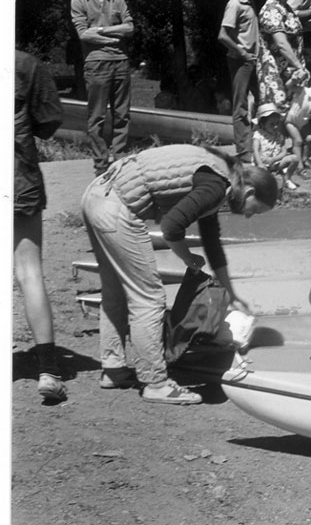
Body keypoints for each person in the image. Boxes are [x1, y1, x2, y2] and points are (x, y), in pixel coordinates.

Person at [80, 145, 279, 404]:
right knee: (149, 298)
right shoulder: (216, 185)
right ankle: (155, 382)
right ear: (250, 191)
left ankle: (114, 368)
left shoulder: (219, 175)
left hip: (97, 195)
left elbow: (211, 241)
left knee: (116, 290)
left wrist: (231, 292)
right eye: (255, 209)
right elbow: (171, 227)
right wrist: (187, 257)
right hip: (117, 206)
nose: (249, 215)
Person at [15, 50, 67, 402]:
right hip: (18, 174)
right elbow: (49, 124)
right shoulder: (26, 64)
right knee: (29, 271)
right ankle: (48, 369)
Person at [70, 0, 134, 176]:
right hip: (96, 64)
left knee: (122, 115)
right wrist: (113, 38)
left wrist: (101, 31)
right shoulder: (79, 0)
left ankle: (121, 162)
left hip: (121, 62)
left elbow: (129, 28)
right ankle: (101, 166)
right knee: (97, 117)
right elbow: (84, 34)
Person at [218, 0, 260, 164]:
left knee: (257, 101)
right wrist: (242, 52)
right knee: (240, 105)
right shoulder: (234, 4)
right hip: (240, 60)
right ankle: (244, 152)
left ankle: (257, 145)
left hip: (252, 59)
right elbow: (223, 35)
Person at [257, 0, 309, 112]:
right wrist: (299, 66)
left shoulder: (285, 7)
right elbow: (281, 43)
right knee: (278, 117)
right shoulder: (271, 10)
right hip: (275, 75)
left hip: (290, 74)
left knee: (293, 116)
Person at [253, 103, 300, 190]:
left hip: (276, 163)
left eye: (277, 123)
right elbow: (255, 151)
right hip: (263, 164)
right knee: (265, 182)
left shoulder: (279, 135)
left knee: (295, 158)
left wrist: (274, 159)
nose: (275, 126)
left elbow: (284, 151)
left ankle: (287, 178)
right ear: (262, 124)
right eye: (271, 124)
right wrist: (260, 163)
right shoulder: (258, 135)